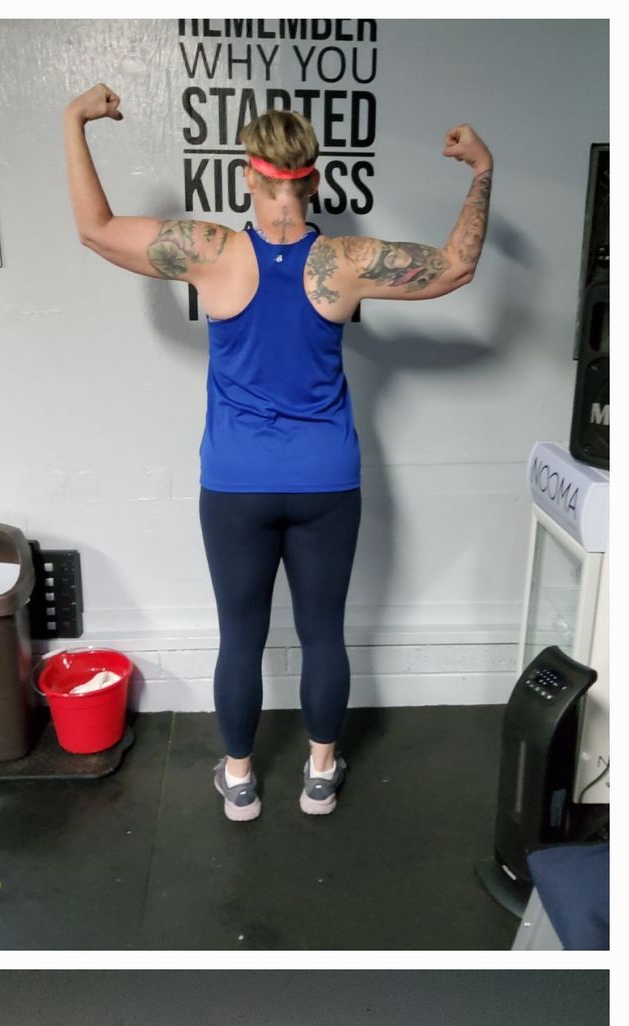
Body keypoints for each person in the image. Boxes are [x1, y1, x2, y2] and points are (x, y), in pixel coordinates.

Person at [62, 89, 493, 819]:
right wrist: (481, 168)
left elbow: (95, 230)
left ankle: (238, 779)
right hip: (327, 479)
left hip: (236, 484)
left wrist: (73, 121)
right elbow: (456, 266)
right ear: (314, 179)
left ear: (248, 177)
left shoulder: (212, 252)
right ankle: (320, 774)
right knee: (325, 632)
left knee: (241, 637)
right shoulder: (347, 261)